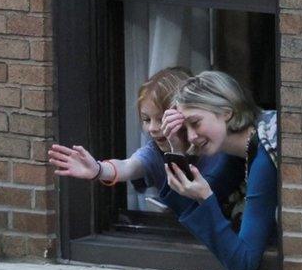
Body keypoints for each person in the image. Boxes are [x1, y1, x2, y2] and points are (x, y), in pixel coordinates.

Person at [48, 67, 242, 215]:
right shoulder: (154, 152)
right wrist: (98, 170)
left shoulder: (213, 147)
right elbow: (128, 166)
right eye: (146, 120)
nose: (152, 128)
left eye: (161, 118)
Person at [161, 70, 277, 270]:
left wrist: (205, 198)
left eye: (195, 123)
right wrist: (176, 149)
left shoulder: (265, 153)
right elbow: (185, 206)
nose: (191, 137)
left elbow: (243, 266)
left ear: (226, 112)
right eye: (184, 128)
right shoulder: (236, 151)